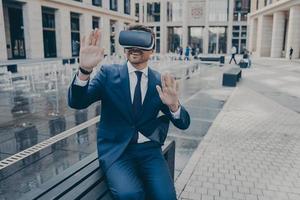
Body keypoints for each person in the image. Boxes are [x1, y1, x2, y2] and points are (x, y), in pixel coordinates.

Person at [68, 25, 190, 200]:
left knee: (167, 197)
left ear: (152, 49)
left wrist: (174, 106)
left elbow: (184, 123)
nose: (134, 48)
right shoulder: (108, 74)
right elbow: (77, 102)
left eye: (141, 42)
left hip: (149, 151)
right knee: (130, 195)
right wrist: (84, 71)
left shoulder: (159, 81)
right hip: (117, 152)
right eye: (130, 41)